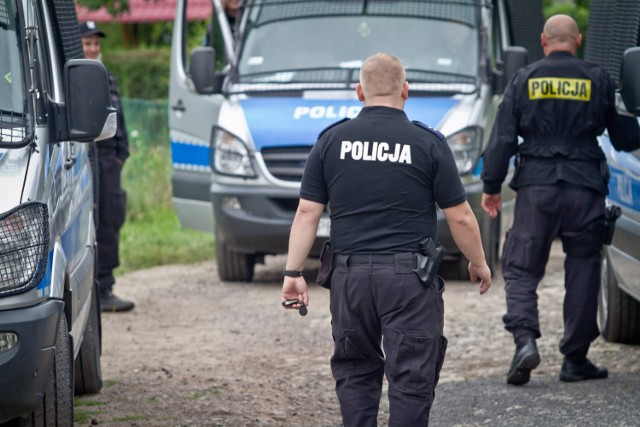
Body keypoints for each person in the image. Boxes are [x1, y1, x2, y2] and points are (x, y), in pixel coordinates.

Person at [281, 53, 492, 426]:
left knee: (356, 374)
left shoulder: (331, 141)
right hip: (409, 281)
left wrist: (293, 271)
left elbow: (306, 213)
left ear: (359, 92)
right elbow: (460, 215)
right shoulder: (427, 143)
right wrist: (478, 261)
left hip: (350, 280)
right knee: (411, 378)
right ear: (405, 91)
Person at [481, 14, 640, 386]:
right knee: (584, 267)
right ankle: (575, 359)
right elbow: (624, 139)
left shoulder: (525, 79)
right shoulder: (597, 79)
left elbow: (502, 139)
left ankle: (525, 340)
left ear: (543, 40)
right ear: (578, 39)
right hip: (584, 188)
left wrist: (490, 186)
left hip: (537, 189)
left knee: (521, 267)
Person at [80, 21, 135, 313]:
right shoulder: (70, 78)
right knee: (87, 219)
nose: (92, 49)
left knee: (111, 218)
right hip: (83, 156)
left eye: (96, 44)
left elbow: (120, 120)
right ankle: (88, 290)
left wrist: (120, 155)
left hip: (107, 159)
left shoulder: (107, 77)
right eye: (87, 44)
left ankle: (107, 287)